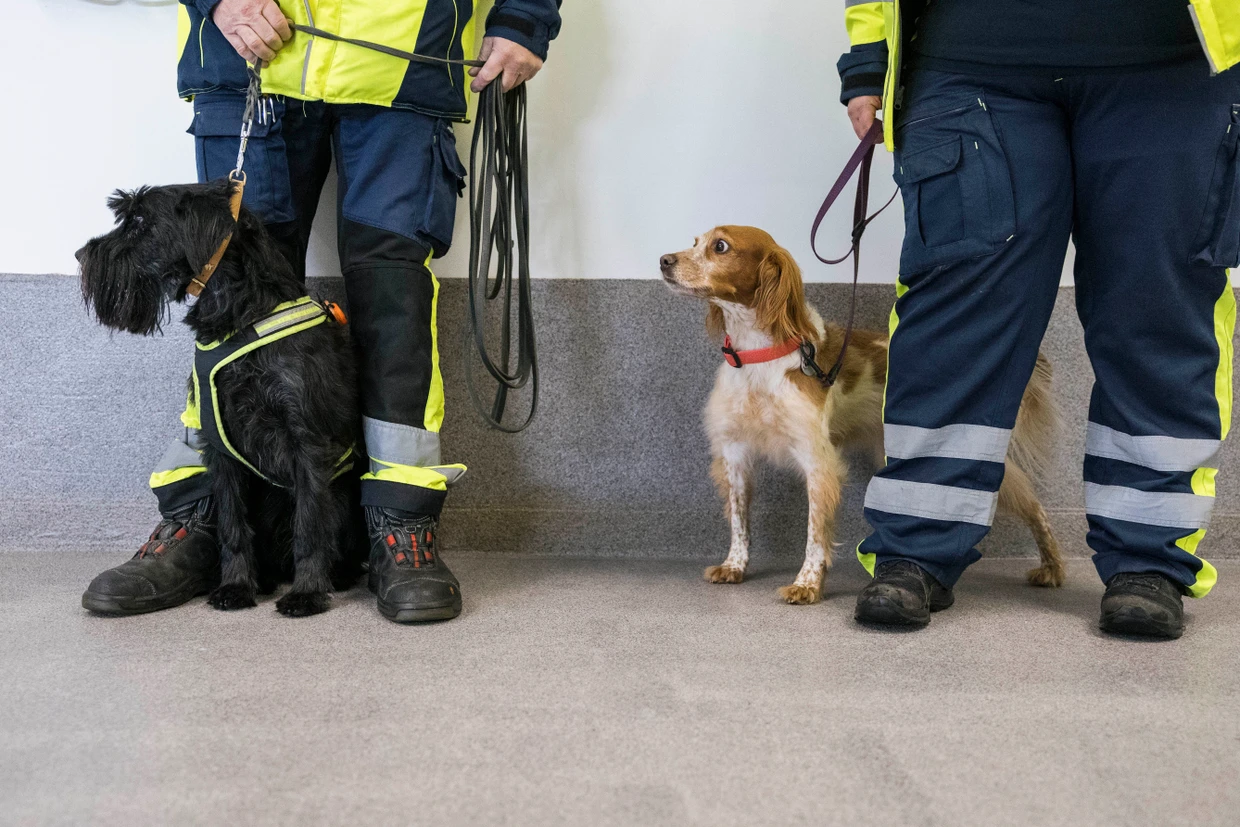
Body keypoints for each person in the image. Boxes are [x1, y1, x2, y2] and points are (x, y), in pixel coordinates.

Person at [81, 0, 562, 622]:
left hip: (403, 60)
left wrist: (523, 16)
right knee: (228, 305)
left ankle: (400, 520)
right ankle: (202, 518)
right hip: (246, 55)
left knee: (396, 303)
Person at [837, 0, 1240, 638]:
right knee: (955, 321)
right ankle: (915, 546)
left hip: (1174, 67)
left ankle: (1149, 560)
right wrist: (868, 58)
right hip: (974, 62)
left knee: (1159, 315)